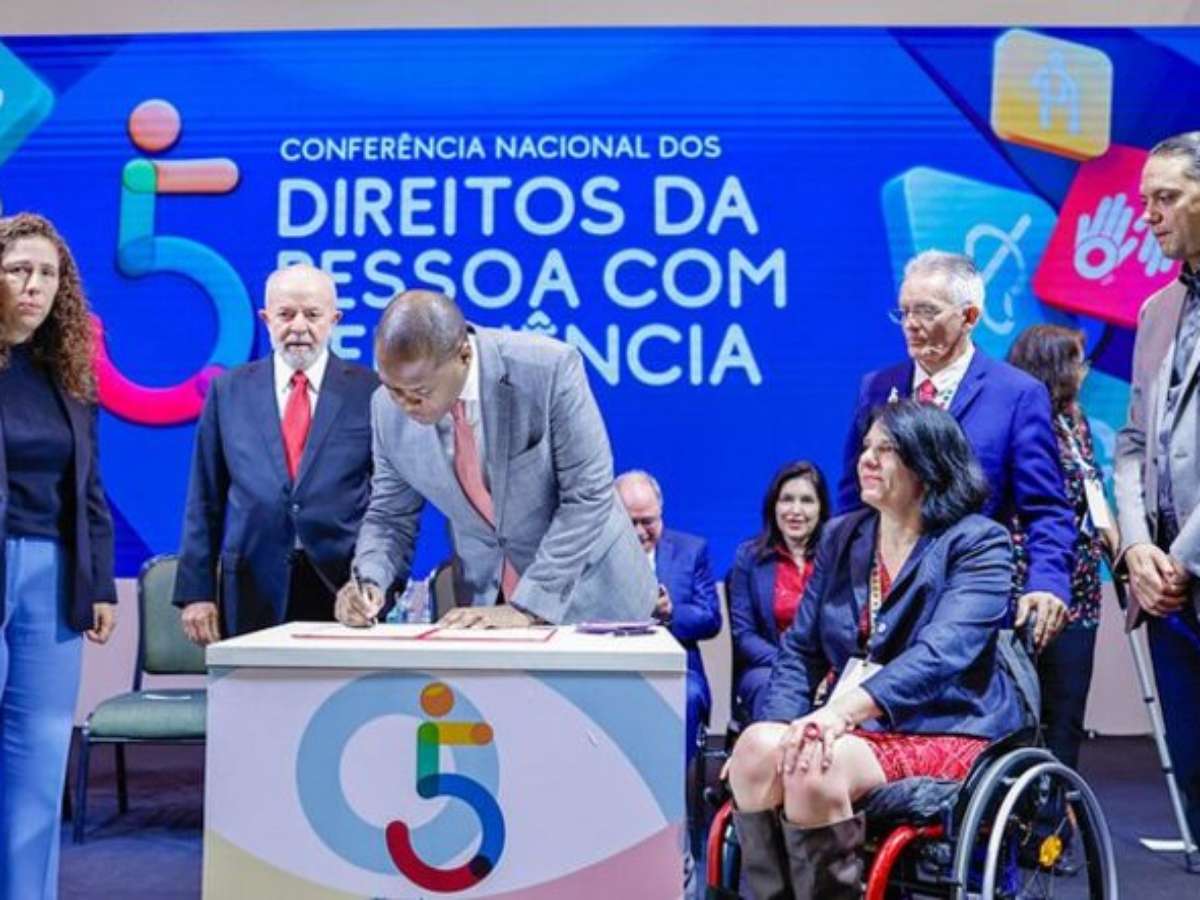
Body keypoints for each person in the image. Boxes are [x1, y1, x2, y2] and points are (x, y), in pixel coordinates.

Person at [726, 401, 1024, 899]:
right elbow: (801, 650)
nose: (867, 458)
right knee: (756, 750)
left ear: (927, 464)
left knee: (814, 766)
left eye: (886, 450)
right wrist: (781, 727)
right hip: (859, 727)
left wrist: (839, 712)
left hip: (944, 723)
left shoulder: (978, 543)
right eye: (867, 447)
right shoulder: (843, 536)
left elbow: (941, 654)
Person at [337, 289, 656, 628]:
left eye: (419, 392)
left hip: (594, 596)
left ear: (463, 356)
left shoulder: (548, 368)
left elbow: (588, 496)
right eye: (392, 388)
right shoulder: (384, 409)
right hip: (485, 600)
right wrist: (368, 581)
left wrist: (528, 607)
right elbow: (390, 516)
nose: (404, 405)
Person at [838, 250, 1074, 651]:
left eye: (926, 311)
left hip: (968, 599)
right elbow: (852, 501)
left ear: (969, 317)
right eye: (904, 312)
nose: (911, 324)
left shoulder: (1015, 395)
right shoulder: (877, 388)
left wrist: (1048, 583)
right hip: (881, 600)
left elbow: (1047, 509)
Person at [0, 212, 117, 899]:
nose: (34, 285)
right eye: (18, 270)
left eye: (47, 273)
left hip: (51, 577)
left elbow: (88, 487)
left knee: (39, 763)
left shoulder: (67, 373)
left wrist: (99, 583)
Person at [174, 264, 378, 642]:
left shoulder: (370, 392)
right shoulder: (228, 391)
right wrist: (197, 592)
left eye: (312, 315)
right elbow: (204, 498)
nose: (298, 327)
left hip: (343, 588)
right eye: (286, 314)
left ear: (334, 320)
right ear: (266, 319)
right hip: (251, 587)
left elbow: (389, 500)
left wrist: (377, 581)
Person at [1114, 131, 1200, 841]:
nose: (1148, 215)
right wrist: (1138, 549)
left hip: (1182, 570)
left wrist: (1178, 556)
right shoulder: (1154, 311)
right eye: (1145, 200)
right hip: (1168, 597)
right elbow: (1131, 443)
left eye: (1165, 198)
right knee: (1195, 777)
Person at [1007, 324, 1118, 771]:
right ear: (1053, 367)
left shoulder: (1077, 421)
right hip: (1029, 587)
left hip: (1083, 590)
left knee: (1067, 710)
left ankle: (1060, 803)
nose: (1085, 370)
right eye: (1077, 361)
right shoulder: (1018, 420)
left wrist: (1117, 543)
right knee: (1026, 711)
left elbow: (1092, 489)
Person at [615, 469, 721, 760]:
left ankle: (674, 786)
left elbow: (711, 618)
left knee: (687, 697)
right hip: (613, 666)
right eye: (630, 522)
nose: (640, 532)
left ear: (660, 513)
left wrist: (670, 613)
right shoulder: (594, 554)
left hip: (677, 671)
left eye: (647, 521)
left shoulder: (691, 551)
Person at [728, 460, 831, 723]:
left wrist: (827, 672)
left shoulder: (838, 557)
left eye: (807, 500)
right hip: (769, 665)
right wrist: (789, 665)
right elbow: (744, 635)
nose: (796, 510)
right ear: (773, 505)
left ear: (821, 508)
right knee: (770, 688)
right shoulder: (749, 558)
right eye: (787, 499)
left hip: (828, 669)